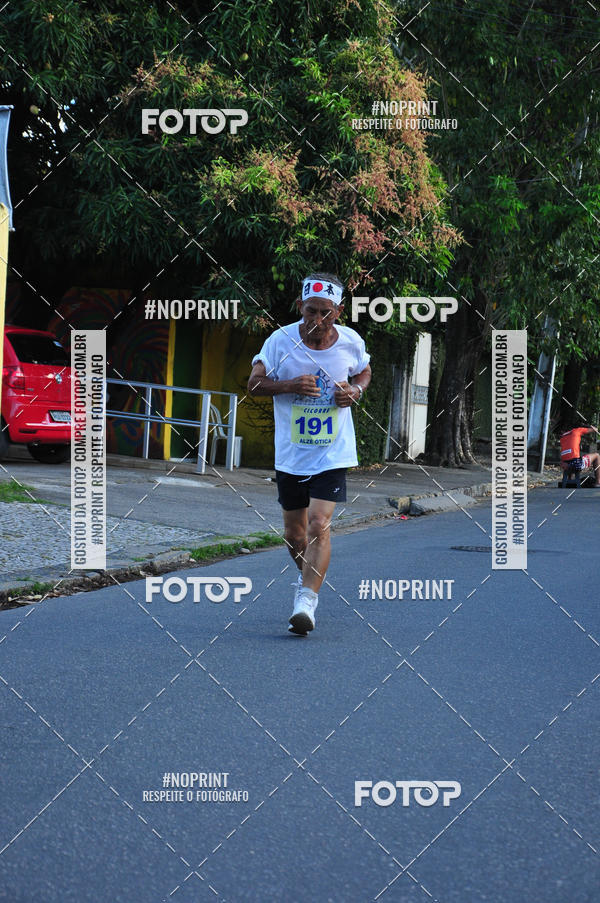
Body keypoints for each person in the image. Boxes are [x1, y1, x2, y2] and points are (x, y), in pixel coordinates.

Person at [247, 272, 371, 634]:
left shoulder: (350, 342)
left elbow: (364, 370)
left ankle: (306, 601)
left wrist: (356, 392)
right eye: (311, 311)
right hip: (291, 455)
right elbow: (253, 384)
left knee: (320, 524)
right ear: (300, 306)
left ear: (339, 311)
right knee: (295, 535)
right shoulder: (279, 341)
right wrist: (288, 384)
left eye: (326, 313)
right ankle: (310, 578)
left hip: (333, 453)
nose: (318, 321)